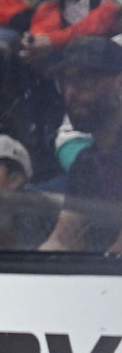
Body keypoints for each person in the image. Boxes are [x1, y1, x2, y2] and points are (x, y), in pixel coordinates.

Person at [39, 36, 122, 253]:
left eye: (84, 79)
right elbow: (62, 241)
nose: (70, 93)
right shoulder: (87, 163)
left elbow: (118, 254)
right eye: (65, 81)